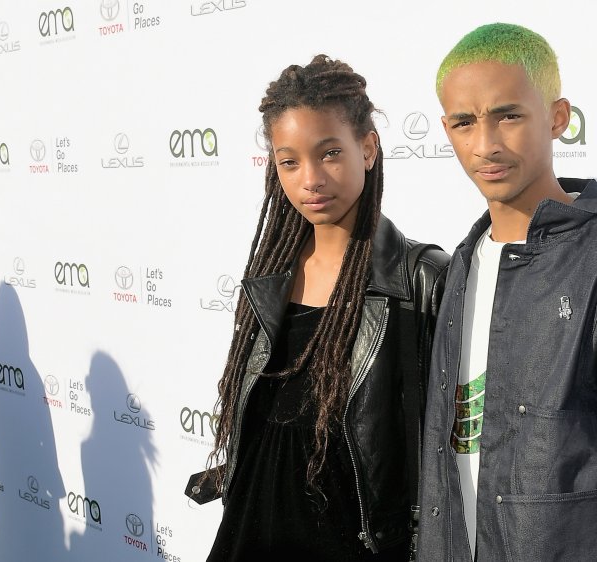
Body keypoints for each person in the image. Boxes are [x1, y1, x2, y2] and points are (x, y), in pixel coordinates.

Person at [416, 24, 597, 561]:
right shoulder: (462, 260)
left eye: (508, 115)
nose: (486, 144)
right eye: (464, 122)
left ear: (557, 117)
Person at [186, 55, 449, 561]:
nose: (310, 179)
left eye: (329, 153)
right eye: (289, 161)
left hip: (353, 542)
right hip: (251, 530)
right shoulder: (270, 278)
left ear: (367, 149)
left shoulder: (419, 280)